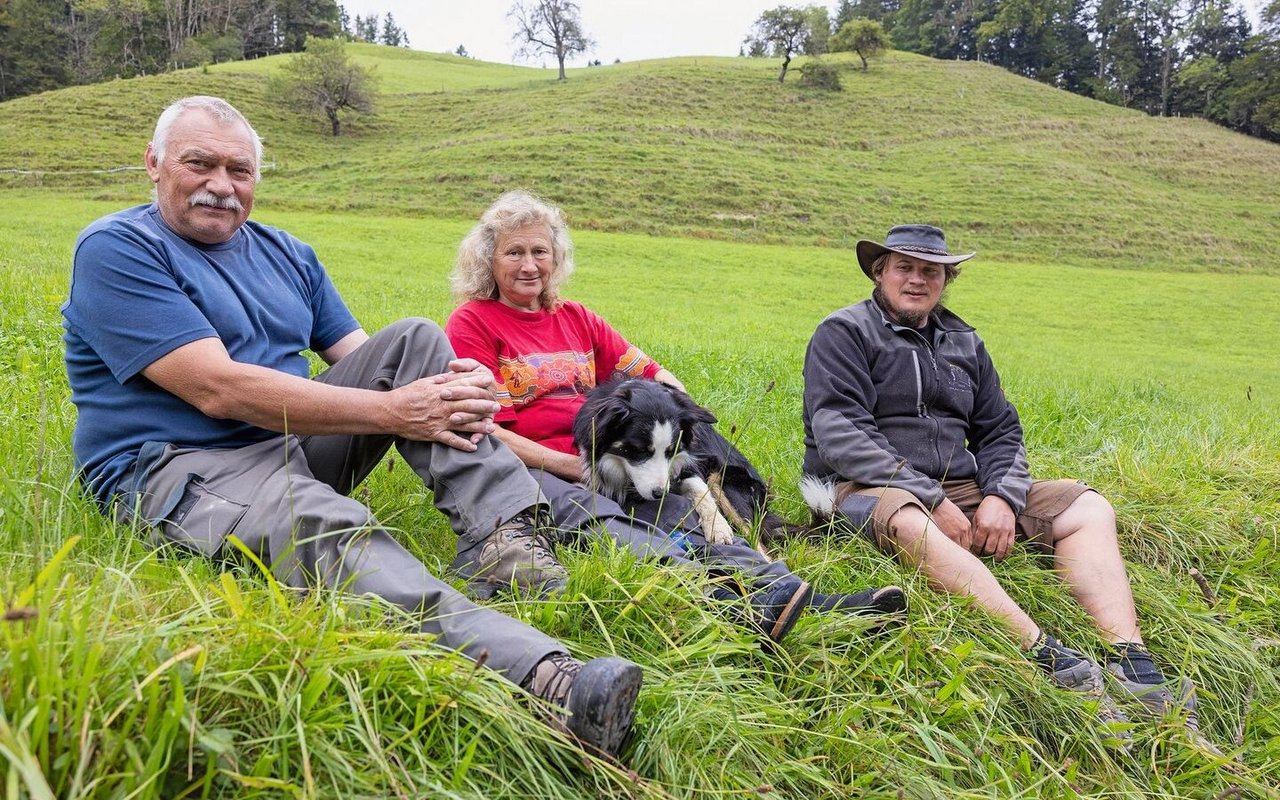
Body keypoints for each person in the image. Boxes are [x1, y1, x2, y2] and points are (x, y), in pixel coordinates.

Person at [60, 96, 641, 758]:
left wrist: (452, 386)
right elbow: (217, 390)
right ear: (155, 164)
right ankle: (548, 683)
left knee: (421, 342)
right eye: (200, 164)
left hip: (288, 443)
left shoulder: (287, 253)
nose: (222, 186)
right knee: (319, 520)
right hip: (181, 463)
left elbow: (378, 364)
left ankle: (507, 548)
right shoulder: (118, 248)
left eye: (239, 170)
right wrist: (398, 411)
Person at [444, 190, 907, 647]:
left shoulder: (575, 317)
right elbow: (490, 432)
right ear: (489, 259)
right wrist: (570, 466)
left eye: (540, 251)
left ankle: (797, 596)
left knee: (689, 511)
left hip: (618, 456)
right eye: (515, 252)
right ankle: (724, 601)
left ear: (556, 257)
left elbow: (653, 374)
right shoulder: (473, 323)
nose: (529, 265)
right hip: (542, 468)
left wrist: (675, 407)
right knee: (606, 519)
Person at [801, 223, 1206, 733]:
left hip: (963, 488)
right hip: (867, 488)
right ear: (880, 271)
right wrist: (928, 497)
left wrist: (1001, 498)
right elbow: (841, 435)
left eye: (932, 271)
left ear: (947, 279)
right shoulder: (843, 333)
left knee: (1088, 508)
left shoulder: (965, 342)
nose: (917, 280)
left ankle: (1130, 660)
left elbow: (1000, 432)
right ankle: (1045, 653)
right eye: (904, 267)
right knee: (909, 520)